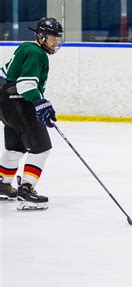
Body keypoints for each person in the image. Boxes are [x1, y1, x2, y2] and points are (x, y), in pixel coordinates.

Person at [0, 17, 63, 210]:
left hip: (5, 104)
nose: (56, 42)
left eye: (58, 38)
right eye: (52, 38)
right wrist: (40, 104)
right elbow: (26, 84)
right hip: (19, 103)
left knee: (15, 148)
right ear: (41, 36)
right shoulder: (37, 53)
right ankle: (26, 191)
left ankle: (3, 184)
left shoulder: (25, 48)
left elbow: (4, 75)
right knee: (42, 147)